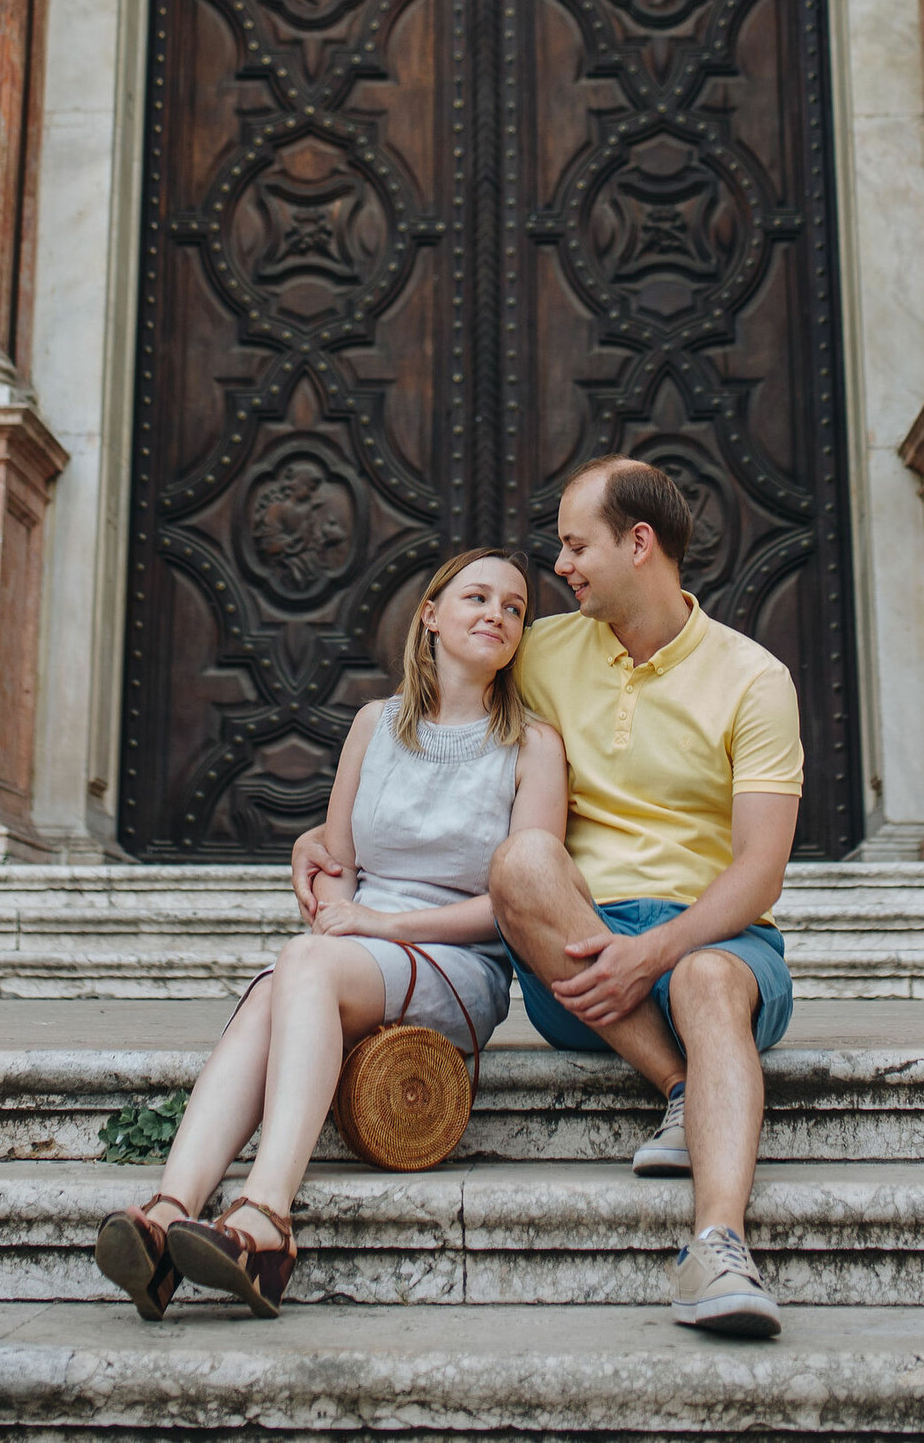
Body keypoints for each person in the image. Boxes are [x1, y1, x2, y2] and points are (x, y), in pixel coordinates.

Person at [294, 458, 802, 1337]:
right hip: (577, 961)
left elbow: (759, 871)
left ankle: (716, 1248)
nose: (557, 568)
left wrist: (659, 947)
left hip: (718, 946)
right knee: (524, 858)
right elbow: (436, 717)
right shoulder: (543, 653)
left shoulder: (754, 679)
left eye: (574, 545)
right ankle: (686, 1086)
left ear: (638, 544)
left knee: (705, 982)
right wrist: (324, 835)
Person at [97, 548, 567, 1319]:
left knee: (301, 971)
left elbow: (519, 903)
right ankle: (165, 1217)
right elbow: (339, 860)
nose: (496, 614)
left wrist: (379, 924)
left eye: (514, 607)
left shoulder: (533, 745)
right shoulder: (373, 726)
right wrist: (332, 908)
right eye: (477, 597)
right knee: (280, 987)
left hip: (460, 964)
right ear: (431, 615)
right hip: (356, 952)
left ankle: (268, 1216)